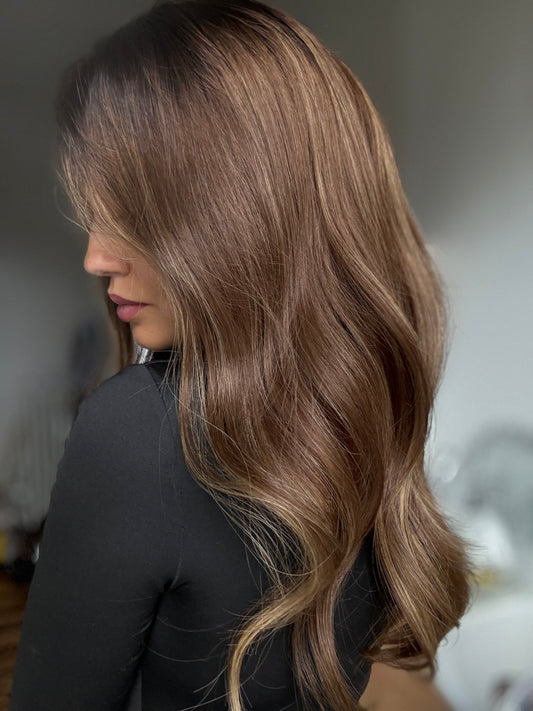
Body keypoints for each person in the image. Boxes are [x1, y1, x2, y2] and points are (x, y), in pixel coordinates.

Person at [9, 1, 470, 709]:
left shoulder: (138, 431)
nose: (95, 257)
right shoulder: (365, 400)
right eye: (95, 214)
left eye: (130, 212)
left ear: (243, 208)